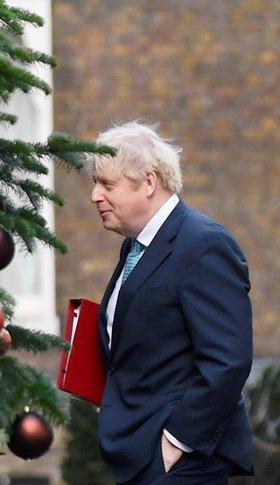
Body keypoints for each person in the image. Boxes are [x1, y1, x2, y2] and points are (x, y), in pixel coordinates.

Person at [89, 121, 253, 483]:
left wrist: (176, 443)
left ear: (149, 182)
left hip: (184, 461)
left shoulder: (204, 244)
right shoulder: (134, 246)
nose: (95, 196)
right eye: (95, 184)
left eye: (107, 184)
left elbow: (228, 359)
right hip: (140, 450)